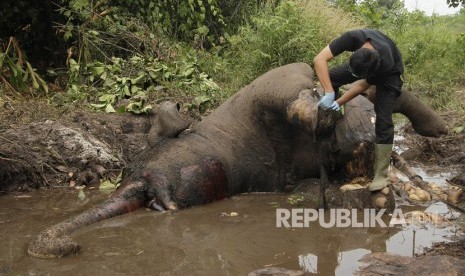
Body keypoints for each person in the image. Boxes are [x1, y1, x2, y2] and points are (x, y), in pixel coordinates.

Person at [313, 29, 403, 191]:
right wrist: (329, 91)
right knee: (331, 77)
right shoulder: (353, 37)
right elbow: (319, 59)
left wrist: (340, 101)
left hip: (390, 74)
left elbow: (362, 84)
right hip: (365, 63)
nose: (354, 76)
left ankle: (381, 175)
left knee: (384, 121)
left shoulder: (384, 63)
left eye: (357, 74)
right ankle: (331, 131)